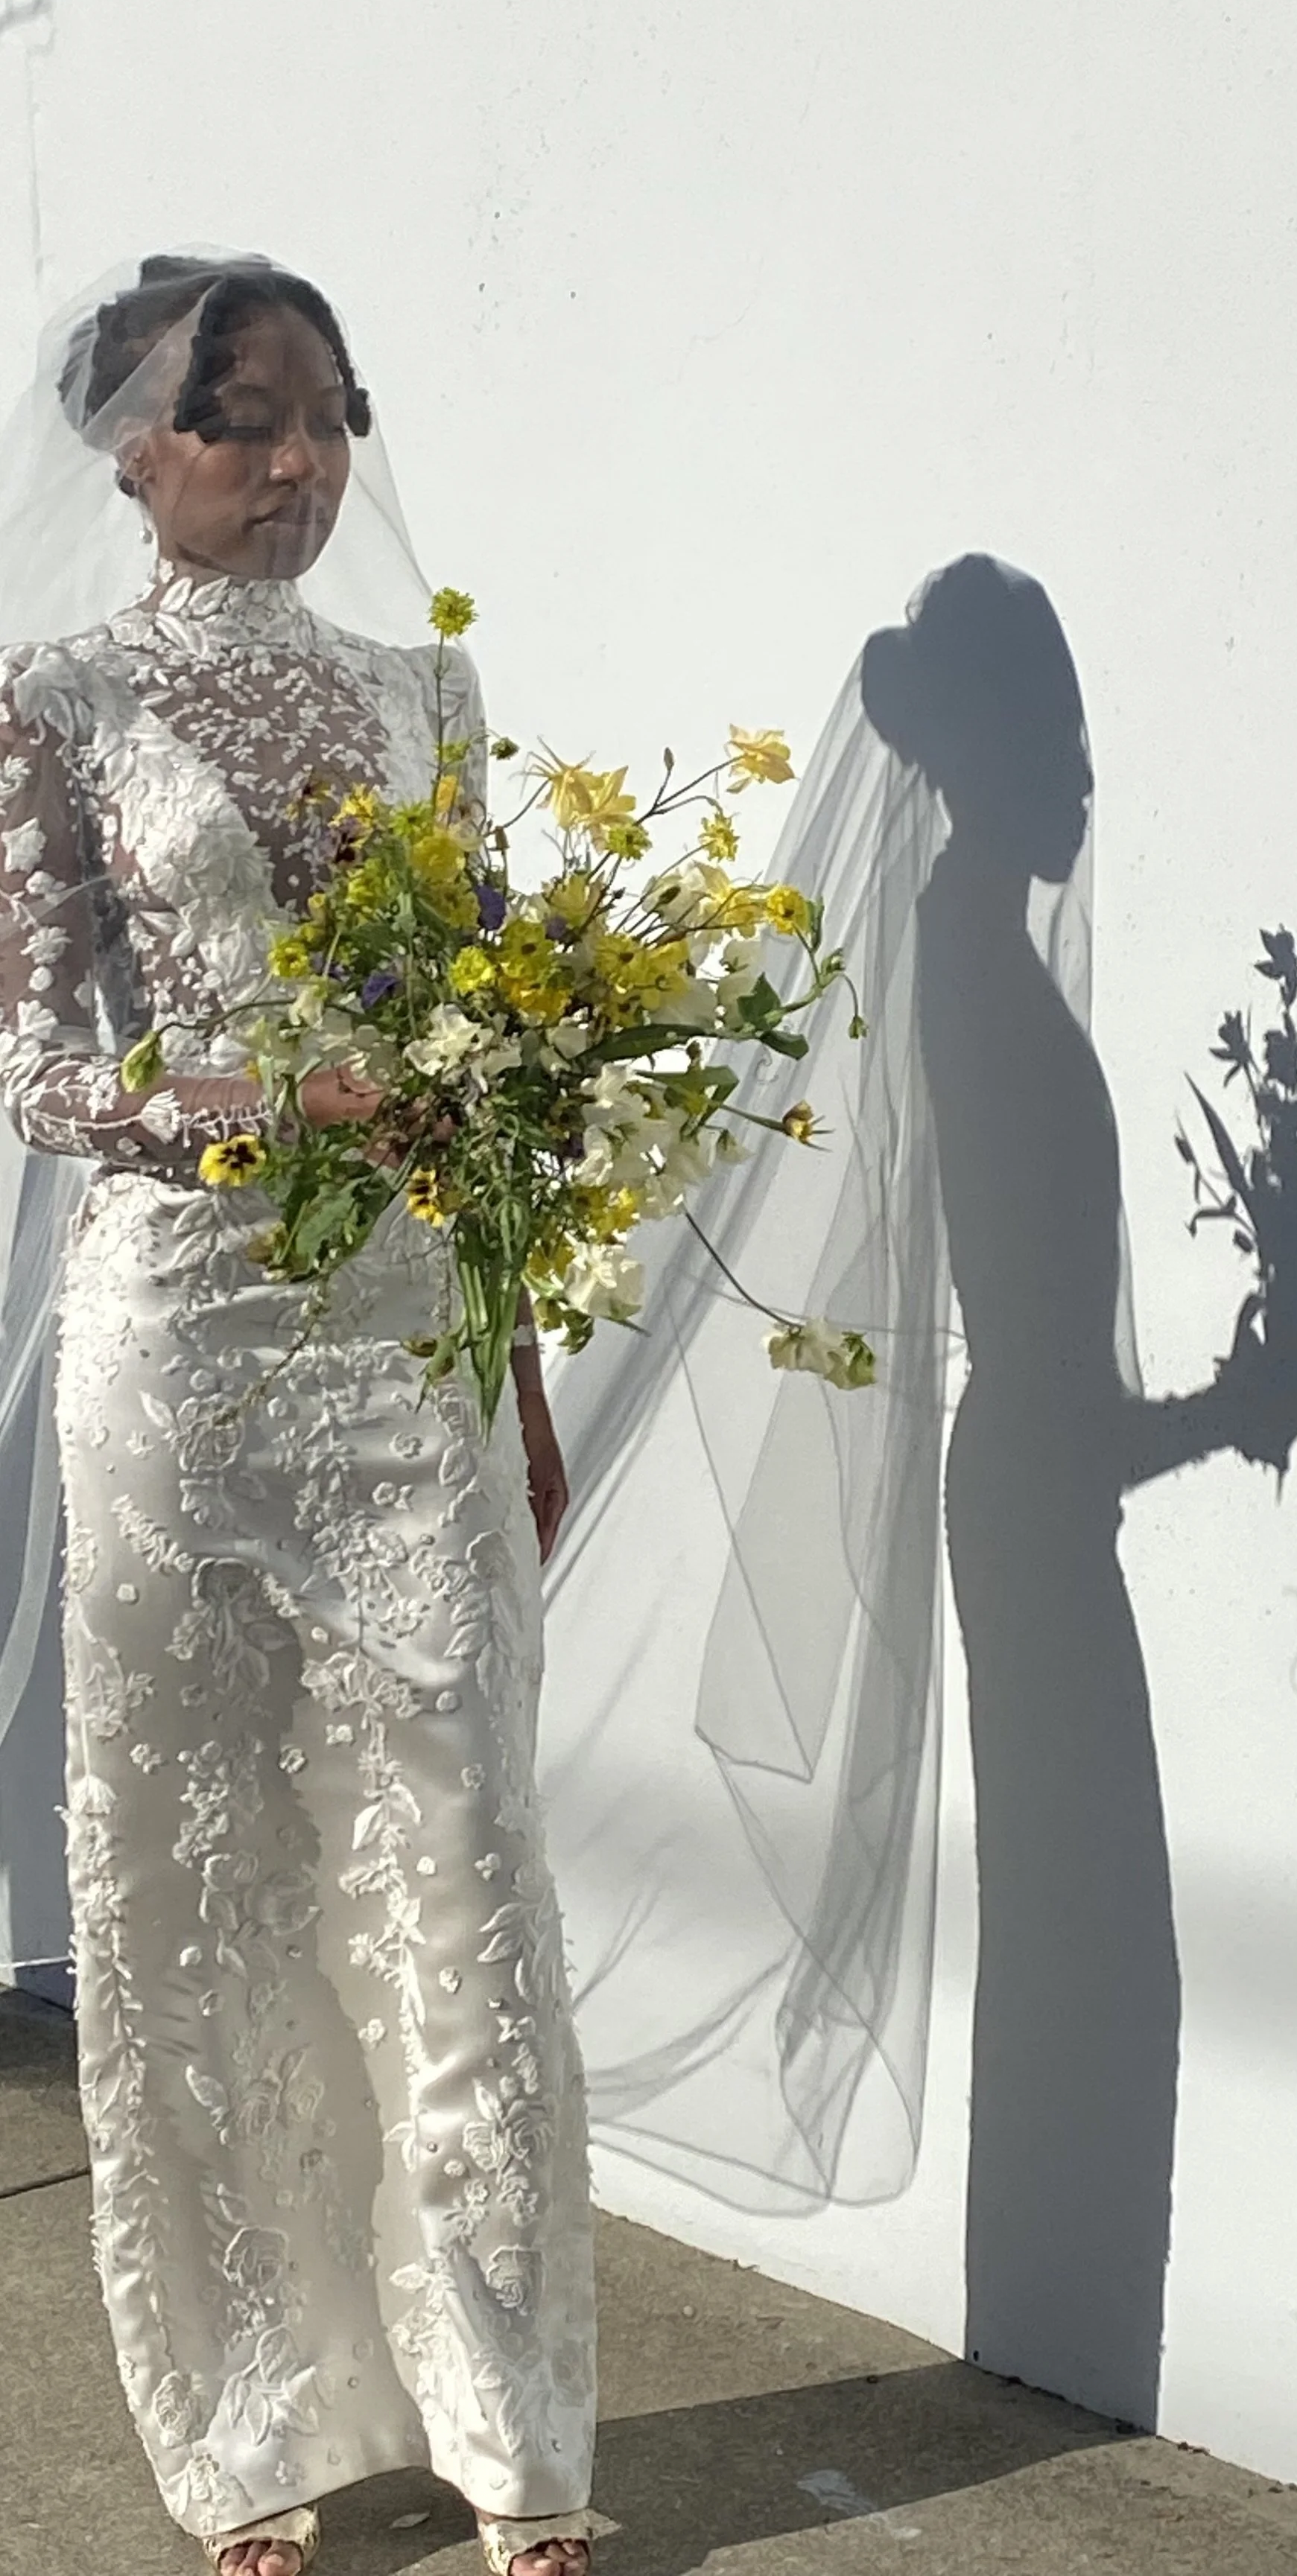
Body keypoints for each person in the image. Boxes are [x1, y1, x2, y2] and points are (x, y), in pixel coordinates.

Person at [0, 256, 606, 2576]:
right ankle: (250, 2422)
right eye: (244, 422)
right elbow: (41, 1061)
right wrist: (269, 1100)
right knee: (200, 1884)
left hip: (403, 1346)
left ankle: (508, 2423)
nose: (299, 467)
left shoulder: (429, 700)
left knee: (454, 1869)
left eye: (330, 417)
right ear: (131, 453)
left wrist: (515, 1353)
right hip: (174, 1351)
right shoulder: (56, 700)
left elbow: (490, 1059)